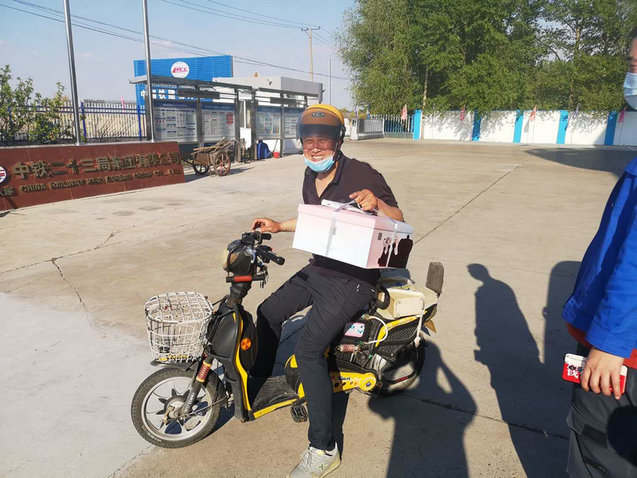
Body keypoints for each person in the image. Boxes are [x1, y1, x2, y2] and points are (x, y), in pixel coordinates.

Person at [250, 104, 404, 478]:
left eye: (323, 140)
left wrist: (377, 204)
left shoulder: (362, 173)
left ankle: (324, 448)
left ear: (338, 141)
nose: (315, 147)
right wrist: (278, 225)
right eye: (308, 140)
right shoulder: (310, 174)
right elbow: (314, 218)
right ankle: (260, 381)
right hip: (319, 268)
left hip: (354, 279)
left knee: (307, 350)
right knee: (268, 312)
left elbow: (399, 219)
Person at [562, 27, 637, 478]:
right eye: (632, 67)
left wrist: (609, 343)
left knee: (599, 452)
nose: (632, 78)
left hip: (622, 353)